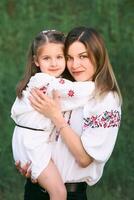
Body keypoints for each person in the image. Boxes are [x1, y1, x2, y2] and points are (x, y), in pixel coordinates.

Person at [16, 26, 122, 200]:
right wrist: (32, 163)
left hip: (69, 194)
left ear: (98, 55)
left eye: (83, 56)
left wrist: (56, 117)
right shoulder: (61, 87)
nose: (75, 65)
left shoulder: (105, 99)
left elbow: (84, 159)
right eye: (69, 58)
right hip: (36, 189)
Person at [11, 29, 95, 200]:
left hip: (27, 140)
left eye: (59, 57)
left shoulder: (40, 81)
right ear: (36, 61)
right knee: (58, 193)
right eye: (46, 58)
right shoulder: (46, 82)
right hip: (33, 143)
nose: (54, 63)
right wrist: (99, 84)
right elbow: (76, 93)